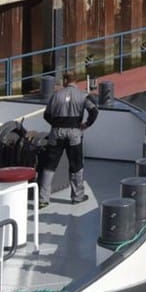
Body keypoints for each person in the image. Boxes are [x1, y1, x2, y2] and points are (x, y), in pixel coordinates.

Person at [40, 72, 98, 203]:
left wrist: (55, 125)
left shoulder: (56, 95)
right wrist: (86, 124)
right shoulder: (83, 96)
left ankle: (43, 199)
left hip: (56, 133)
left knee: (49, 165)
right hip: (74, 133)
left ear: (65, 81)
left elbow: (46, 115)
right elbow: (94, 111)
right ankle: (77, 196)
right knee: (76, 165)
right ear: (75, 81)